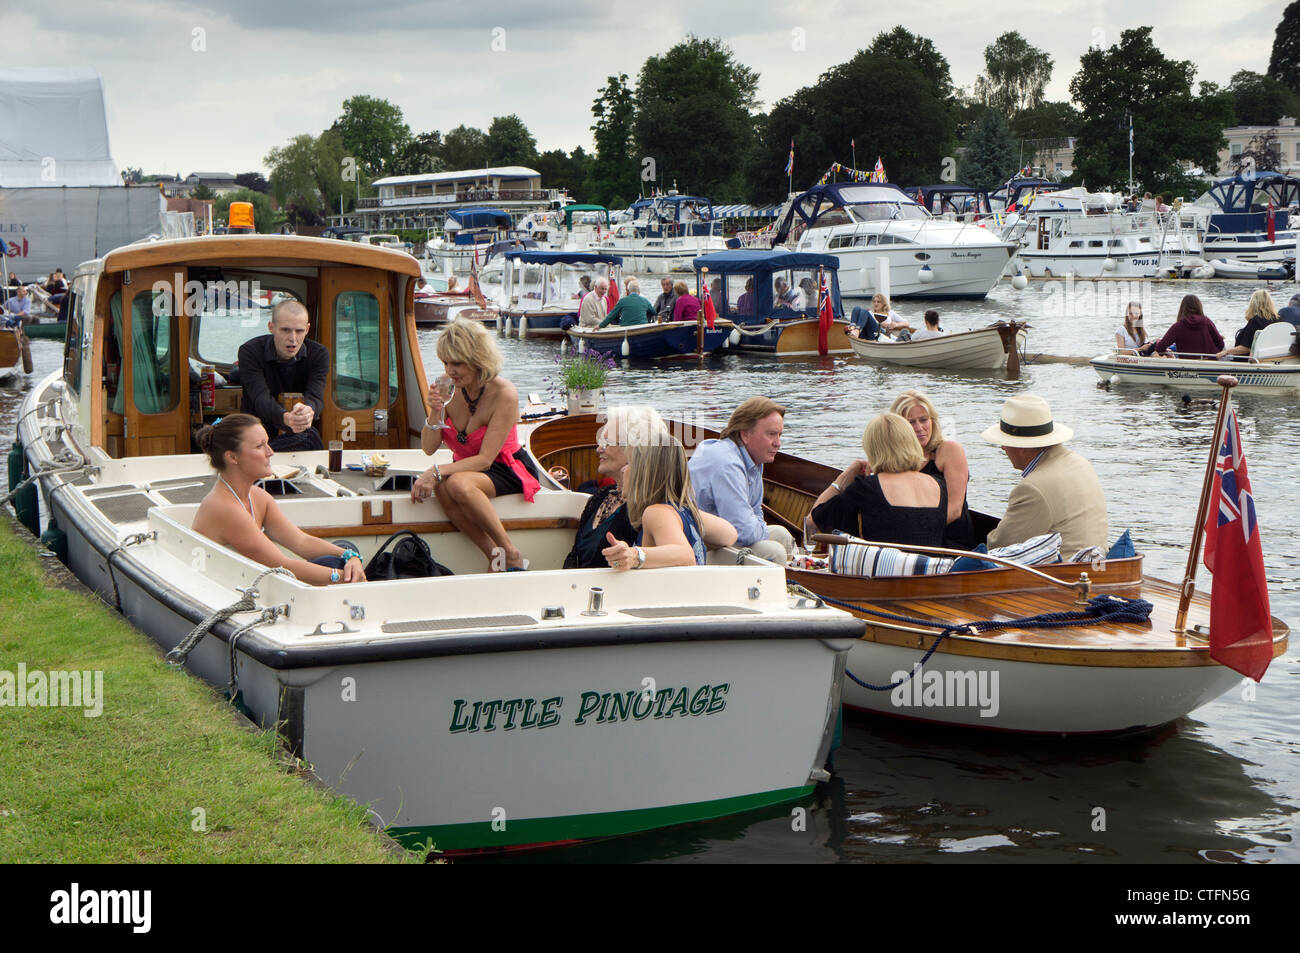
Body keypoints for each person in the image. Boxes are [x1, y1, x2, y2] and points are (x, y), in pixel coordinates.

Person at [410, 318, 540, 571]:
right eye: (446, 363)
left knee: (454, 482)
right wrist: (435, 411)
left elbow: (485, 460)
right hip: (468, 470)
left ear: (478, 358)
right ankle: (494, 554)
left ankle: (509, 551)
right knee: (445, 487)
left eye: (457, 363)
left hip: (506, 467)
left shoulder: (504, 393)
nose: (450, 370)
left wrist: (434, 472)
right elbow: (428, 448)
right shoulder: (449, 388)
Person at [191, 414, 365, 586]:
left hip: (246, 585)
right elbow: (283, 566)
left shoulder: (259, 497)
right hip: (223, 590)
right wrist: (350, 579)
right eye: (260, 446)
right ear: (233, 457)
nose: (270, 452)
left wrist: (350, 557)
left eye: (267, 443)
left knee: (339, 560)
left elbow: (301, 541)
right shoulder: (224, 508)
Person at [981, 394, 1107, 556]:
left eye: (1005, 442)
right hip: (1096, 565)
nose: (1003, 448)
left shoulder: (1033, 487)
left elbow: (999, 545)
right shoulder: (1080, 463)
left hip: (1060, 573)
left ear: (1022, 447)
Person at [808, 413, 947, 547]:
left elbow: (811, 522)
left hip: (884, 570)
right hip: (930, 569)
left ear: (873, 449)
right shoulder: (939, 485)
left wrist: (844, 478)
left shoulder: (866, 488)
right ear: (911, 443)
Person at [602, 436, 738, 570]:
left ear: (643, 473)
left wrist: (635, 555)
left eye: (629, 463)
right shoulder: (686, 511)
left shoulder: (656, 512)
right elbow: (729, 534)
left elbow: (685, 555)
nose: (623, 470)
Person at [688, 397, 796, 562]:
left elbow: (756, 511)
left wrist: (756, 527)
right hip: (698, 550)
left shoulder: (753, 459)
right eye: (771, 434)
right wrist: (757, 527)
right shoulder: (727, 463)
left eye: (780, 435)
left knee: (784, 537)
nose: (778, 443)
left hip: (725, 539)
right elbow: (744, 531)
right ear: (745, 434)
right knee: (775, 552)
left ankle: (796, 583)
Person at [563, 406, 666, 569]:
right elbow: (575, 556)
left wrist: (634, 556)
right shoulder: (600, 497)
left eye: (607, 443)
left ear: (634, 449)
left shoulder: (652, 505)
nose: (598, 449)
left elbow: (685, 554)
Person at [236, 299, 327, 451]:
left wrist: (308, 411)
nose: (293, 338)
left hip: (300, 431)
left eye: (299, 331)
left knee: (310, 437)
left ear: (307, 329)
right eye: (285, 330)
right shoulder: (250, 352)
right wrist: (285, 417)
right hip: (256, 431)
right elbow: (259, 398)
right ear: (271, 327)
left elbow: (316, 397)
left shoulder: (319, 354)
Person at [889, 390, 972, 549]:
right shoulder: (893, 461)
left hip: (950, 541)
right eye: (911, 422)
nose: (919, 427)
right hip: (909, 539)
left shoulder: (949, 450)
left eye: (924, 420)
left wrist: (913, 535)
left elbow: (954, 510)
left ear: (932, 421)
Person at [1149, 294, 1224, 359]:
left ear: (1182, 308)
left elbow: (1160, 348)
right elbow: (1221, 344)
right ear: (1199, 306)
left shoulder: (1178, 326)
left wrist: (1167, 352)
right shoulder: (1207, 322)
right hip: (1210, 361)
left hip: (1187, 363)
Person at [1217, 288, 1280, 359]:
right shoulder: (1278, 320)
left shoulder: (1256, 321)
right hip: (1271, 357)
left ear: (1253, 304)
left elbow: (1246, 348)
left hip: (1247, 361)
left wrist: (1226, 352)